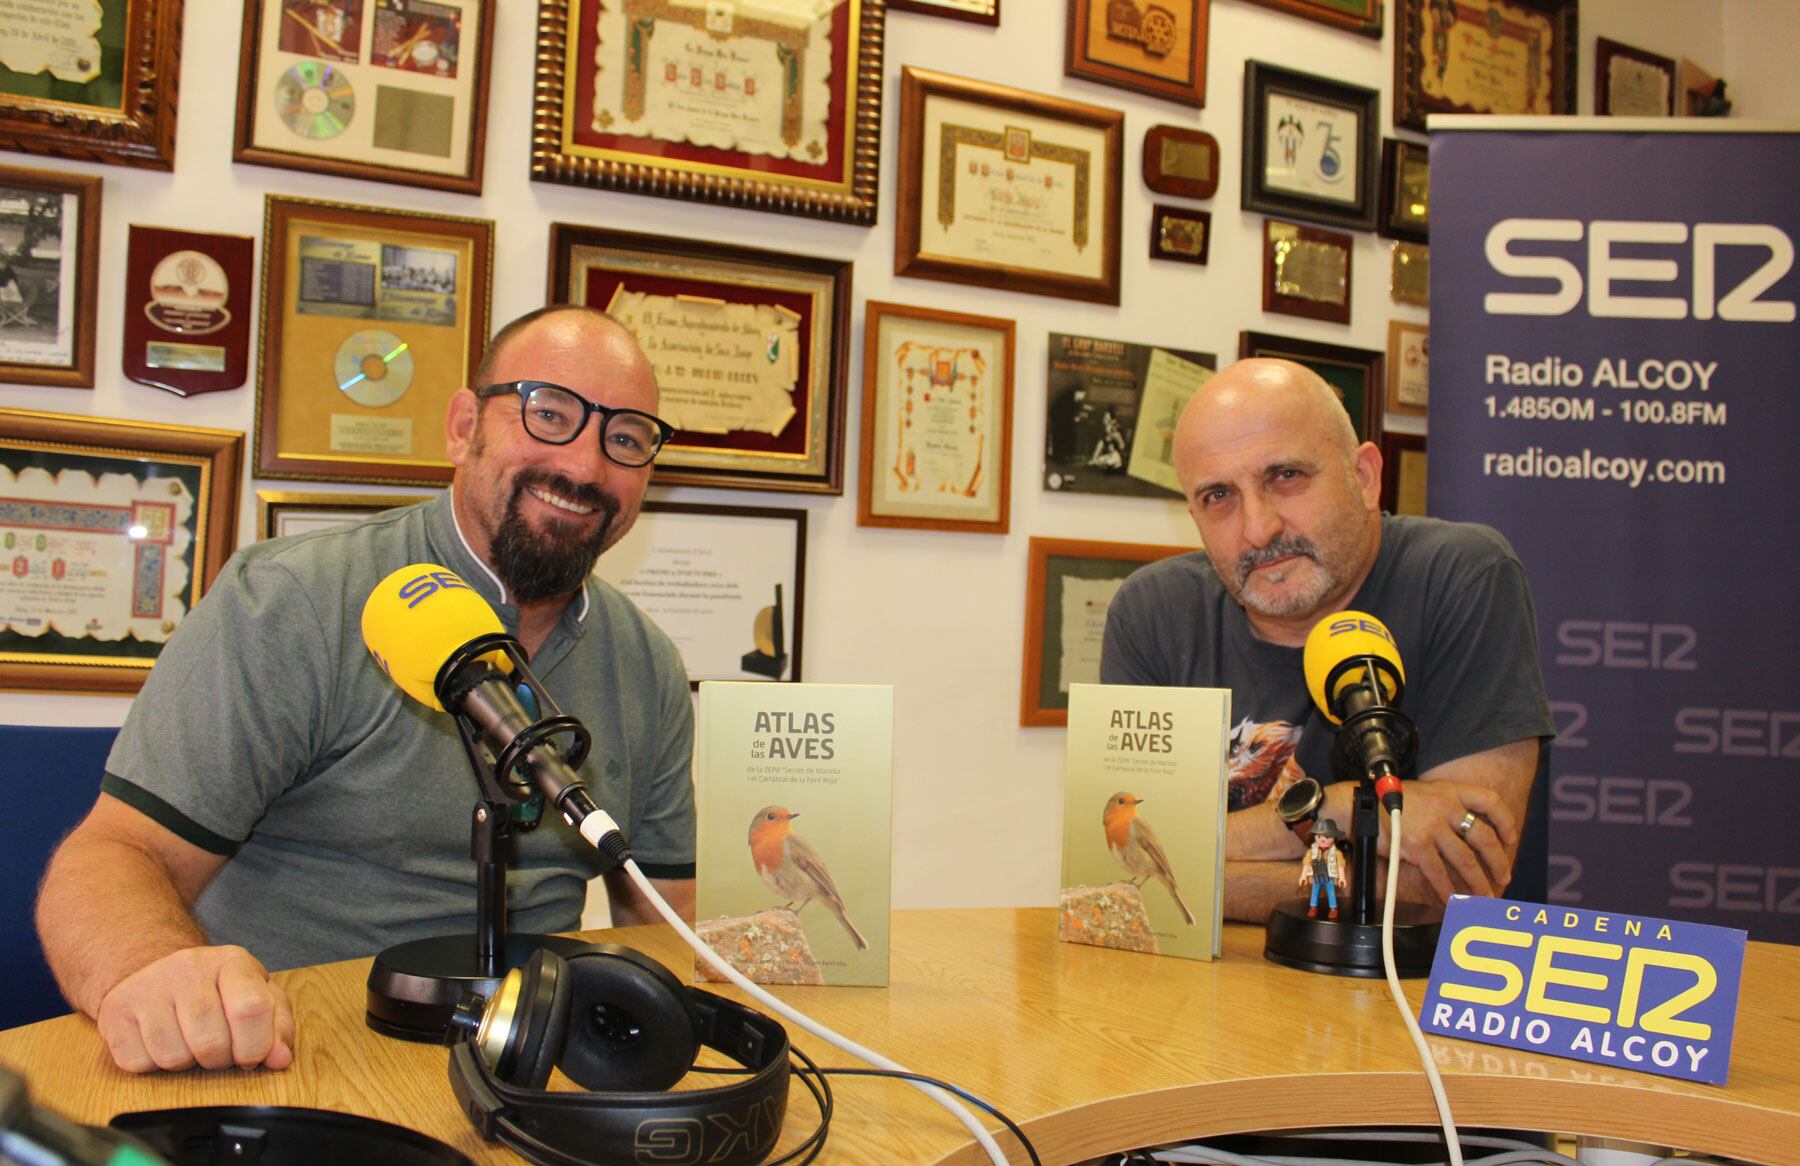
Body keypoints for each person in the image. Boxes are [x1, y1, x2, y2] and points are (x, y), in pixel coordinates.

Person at [35, 306, 697, 1074]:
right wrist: (151, 972)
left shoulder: (646, 664)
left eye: (625, 439)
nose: (584, 466)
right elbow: (113, 854)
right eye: (549, 414)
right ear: (461, 427)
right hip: (286, 1059)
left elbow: (661, 924)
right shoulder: (291, 603)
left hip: (529, 1067)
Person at [1101, 358, 1553, 924]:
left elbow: (1445, 885)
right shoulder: (1152, 613)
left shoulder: (1461, 576)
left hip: (1413, 997)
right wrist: (1332, 808)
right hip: (1212, 992)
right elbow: (1122, 853)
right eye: (1220, 496)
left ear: (1363, 477)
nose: (1259, 529)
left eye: (1285, 477)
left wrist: (1205, 864)